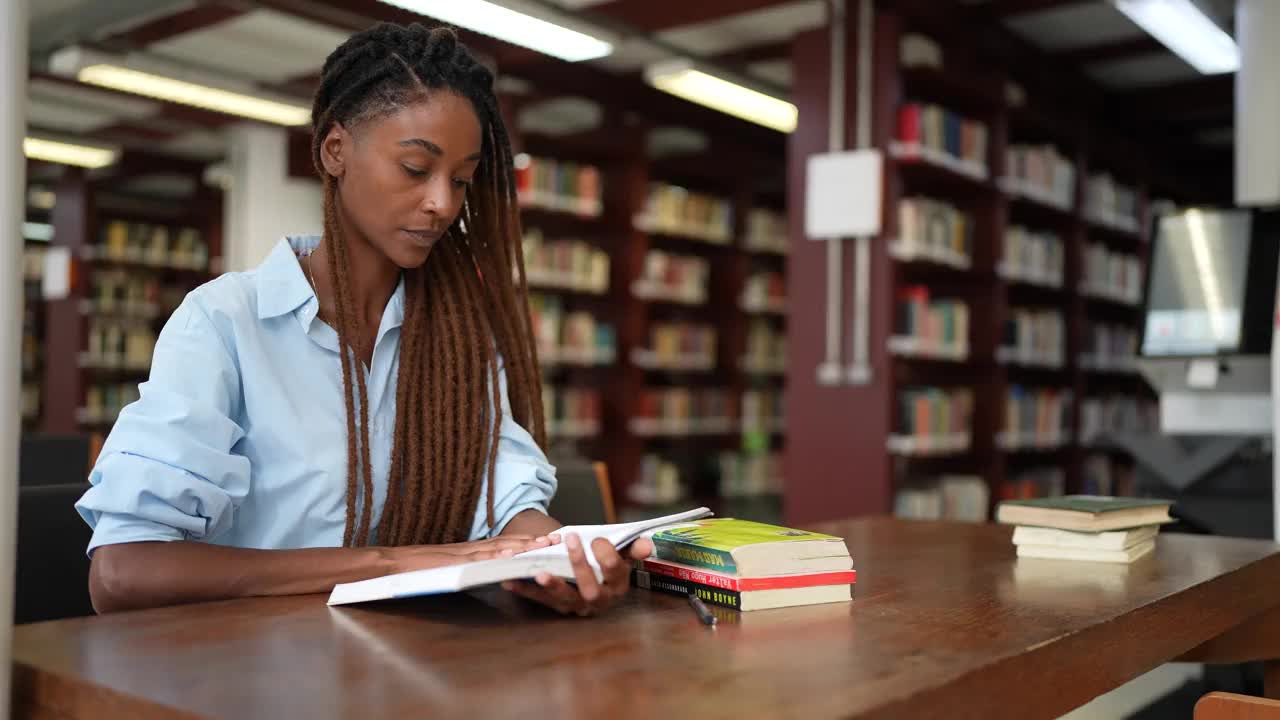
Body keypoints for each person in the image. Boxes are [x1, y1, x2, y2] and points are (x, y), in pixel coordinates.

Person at [74, 22, 649, 616]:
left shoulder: (460, 338)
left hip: (415, 665)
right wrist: (400, 561)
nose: (443, 204)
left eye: (460, 180)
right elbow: (123, 573)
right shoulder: (224, 324)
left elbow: (507, 500)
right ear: (334, 151)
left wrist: (558, 557)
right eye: (414, 168)